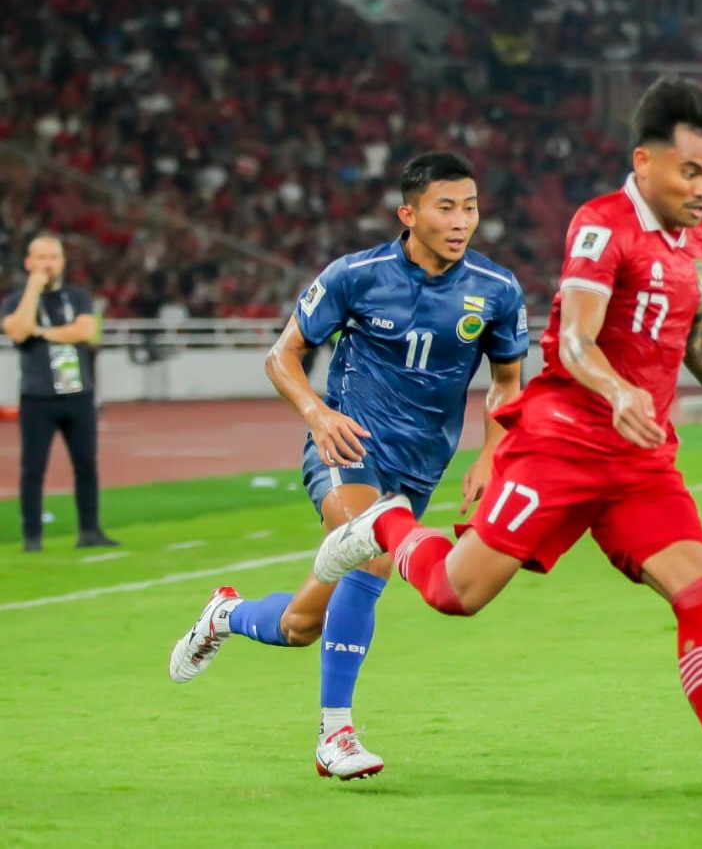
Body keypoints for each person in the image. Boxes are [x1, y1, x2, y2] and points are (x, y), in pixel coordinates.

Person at [304, 78, 702, 816]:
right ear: (644, 161)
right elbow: (577, 339)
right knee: (457, 594)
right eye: (691, 171)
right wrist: (619, 392)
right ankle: (381, 522)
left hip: (640, 461)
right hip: (563, 444)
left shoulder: (695, 236)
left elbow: (694, 318)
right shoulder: (601, 224)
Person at [167, 152, 529, 781]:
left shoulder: (496, 290)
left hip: (420, 468)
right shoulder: (355, 275)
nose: (461, 220)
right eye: (446, 207)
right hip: (348, 447)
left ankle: (225, 614)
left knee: (300, 625)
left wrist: (492, 453)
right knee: (374, 552)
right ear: (408, 214)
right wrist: (317, 413)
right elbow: (284, 356)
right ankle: (336, 735)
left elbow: (506, 383)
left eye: (469, 206)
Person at [1, 234, 119, 553]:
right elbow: (16, 330)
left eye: (53, 257)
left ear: (63, 261)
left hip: (78, 394)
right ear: (28, 263)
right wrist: (33, 289)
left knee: (85, 464)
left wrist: (40, 333)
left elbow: (84, 330)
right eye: (40, 258)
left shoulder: (78, 297)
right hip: (37, 396)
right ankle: (32, 536)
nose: (48, 264)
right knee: (33, 468)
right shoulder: (15, 301)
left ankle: (90, 530)